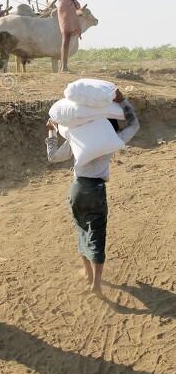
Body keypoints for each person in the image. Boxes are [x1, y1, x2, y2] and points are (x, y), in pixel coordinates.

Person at [45, 88, 139, 298]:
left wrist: (51, 132)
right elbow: (134, 124)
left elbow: (53, 157)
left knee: (81, 230)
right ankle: (96, 285)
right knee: (97, 234)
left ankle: (88, 275)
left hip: (77, 188)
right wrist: (123, 102)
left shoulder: (79, 137)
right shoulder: (111, 140)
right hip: (96, 190)